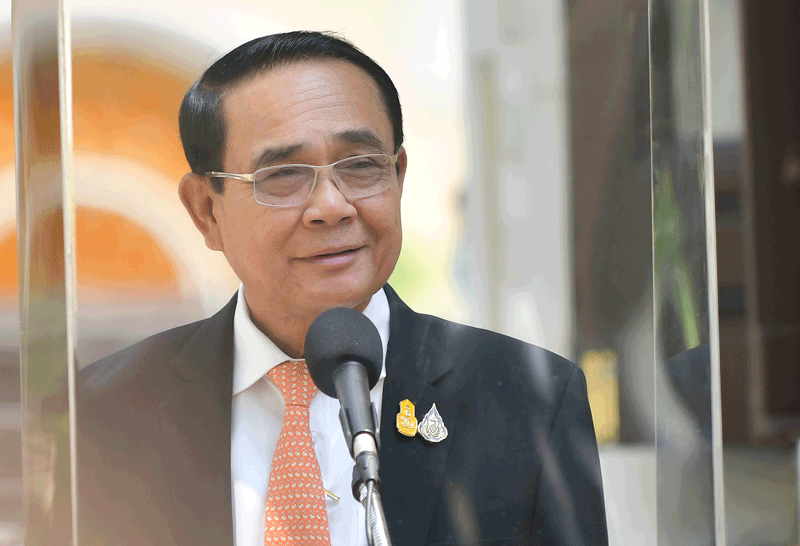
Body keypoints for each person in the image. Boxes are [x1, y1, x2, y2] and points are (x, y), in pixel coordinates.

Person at [72, 31, 608, 545]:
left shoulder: (527, 399)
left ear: (398, 176)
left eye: (361, 166)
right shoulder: (109, 413)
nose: (331, 206)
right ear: (206, 212)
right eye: (283, 175)